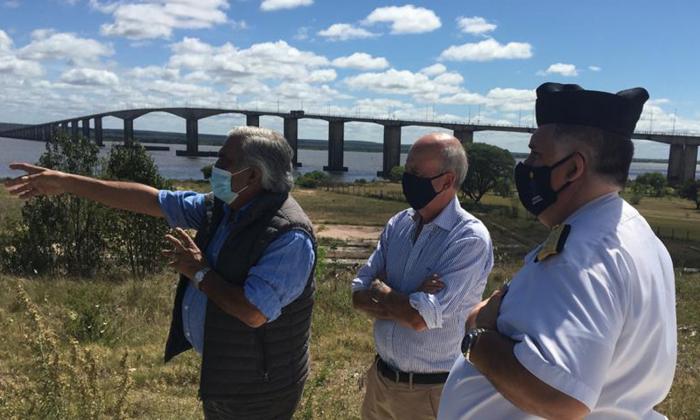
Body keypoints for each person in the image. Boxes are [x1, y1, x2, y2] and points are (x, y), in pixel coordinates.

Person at [4, 126, 316, 420]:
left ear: (252, 175)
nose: (215, 166)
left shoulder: (289, 235)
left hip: (262, 387)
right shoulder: (223, 207)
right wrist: (67, 182)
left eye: (224, 159)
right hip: (230, 371)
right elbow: (151, 199)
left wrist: (199, 272)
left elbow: (254, 311)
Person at [438, 83, 677, 419]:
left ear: (572, 170)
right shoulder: (633, 231)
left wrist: (476, 337)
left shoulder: (583, 253)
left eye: (536, 154)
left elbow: (561, 397)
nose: (526, 165)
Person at [352, 132, 494, 420]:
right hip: (380, 381)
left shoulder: (468, 239)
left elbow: (419, 319)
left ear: (447, 180)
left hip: (430, 393)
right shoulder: (399, 224)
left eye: (415, 171)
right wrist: (406, 299)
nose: (407, 177)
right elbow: (358, 295)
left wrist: (384, 291)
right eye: (407, 169)